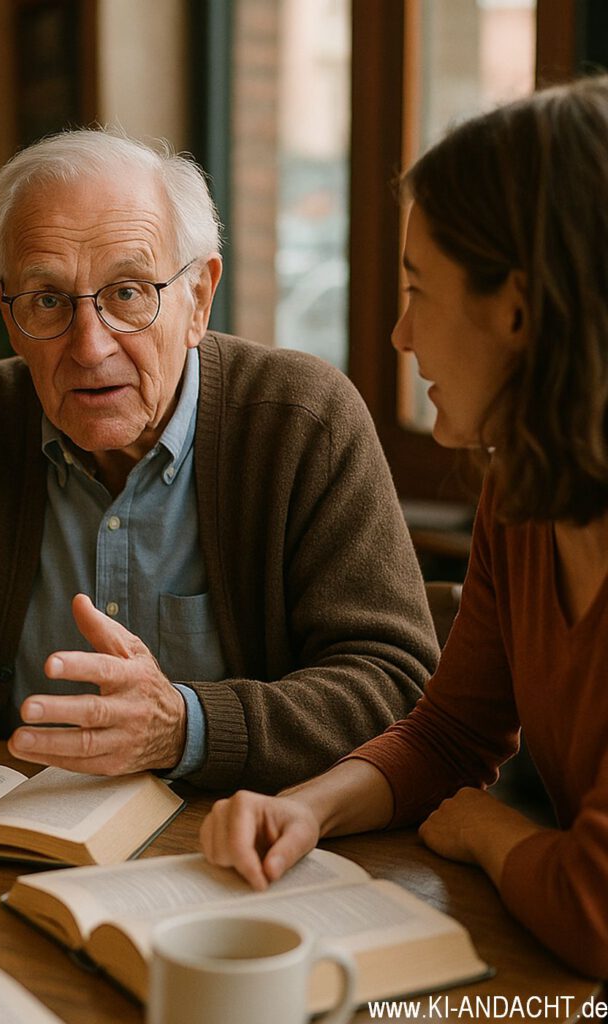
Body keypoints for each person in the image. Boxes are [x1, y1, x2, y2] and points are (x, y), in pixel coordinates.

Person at [0, 128, 439, 790]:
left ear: (198, 297)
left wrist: (184, 725)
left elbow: (395, 682)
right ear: (7, 309)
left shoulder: (302, 422)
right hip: (16, 835)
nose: (90, 347)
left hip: (240, 833)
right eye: (49, 299)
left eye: (129, 293)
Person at [200, 77, 608, 977]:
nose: (397, 334)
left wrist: (488, 826)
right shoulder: (521, 492)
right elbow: (448, 735)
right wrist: (306, 808)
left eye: (419, 290)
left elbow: (596, 906)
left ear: (519, 307)